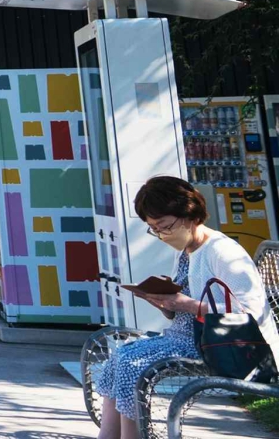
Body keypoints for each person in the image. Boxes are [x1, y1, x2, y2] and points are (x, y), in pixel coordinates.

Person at [96, 176, 279, 439]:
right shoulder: (186, 249)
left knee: (131, 363)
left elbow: (250, 315)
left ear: (190, 214)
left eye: (165, 226)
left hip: (220, 345)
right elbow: (183, 306)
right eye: (154, 229)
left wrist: (188, 305)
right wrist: (163, 303)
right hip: (186, 337)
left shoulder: (222, 251)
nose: (162, 235)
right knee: (120, 356)